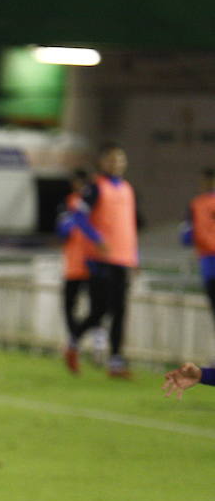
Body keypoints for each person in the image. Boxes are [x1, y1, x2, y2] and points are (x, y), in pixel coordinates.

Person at [69, 143, 141, 379]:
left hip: (123, 258)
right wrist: (96, 238)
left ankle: (116, 361)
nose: (116, 164)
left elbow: (129, 226)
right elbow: (79, 216)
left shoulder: (127, 189)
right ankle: (74, 341)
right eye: (111, 159)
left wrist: (135, 256)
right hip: (100, 258)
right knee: (100, 310)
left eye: (119, 159)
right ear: (102, 162)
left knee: (120, 310)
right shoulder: (95, 187)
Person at [59, 169, 98, 374]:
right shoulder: (69, 203)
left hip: (94, 262)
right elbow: (63, 230)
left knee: (98, 308)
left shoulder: (96, 203)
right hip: (74, 264)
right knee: (69, 308)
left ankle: (94, 345)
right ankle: (75, 345)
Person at [180, 168, 215, 333]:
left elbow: (186, 237)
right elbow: (186, 236)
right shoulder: (196, 205)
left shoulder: (196, 204)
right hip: (207, 262)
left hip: (208, 263)